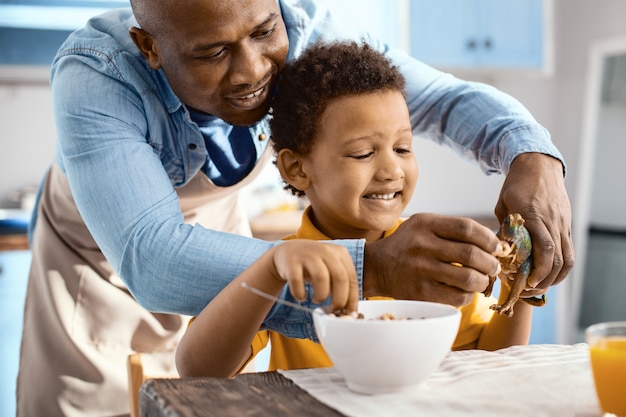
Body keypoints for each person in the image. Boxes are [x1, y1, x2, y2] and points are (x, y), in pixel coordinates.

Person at [17, 0, 573, 415]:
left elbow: (443, 101)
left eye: (263, 32)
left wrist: (533, 154)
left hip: (221, 231)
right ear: (150, 48)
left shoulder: (307, 29)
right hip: (101, 263)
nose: (253, 70)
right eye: (213, 52)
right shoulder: (97, 71)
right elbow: (153, 257)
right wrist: (367, 268)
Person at [175, 40, 534, 378]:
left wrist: (524, 286)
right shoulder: (286, 265)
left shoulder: (436, 253)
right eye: (363, 153)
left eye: (403, 148)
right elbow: (198, 369)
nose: (392, 171)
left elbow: (491, 362)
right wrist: (269, 270)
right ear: (298, 169)